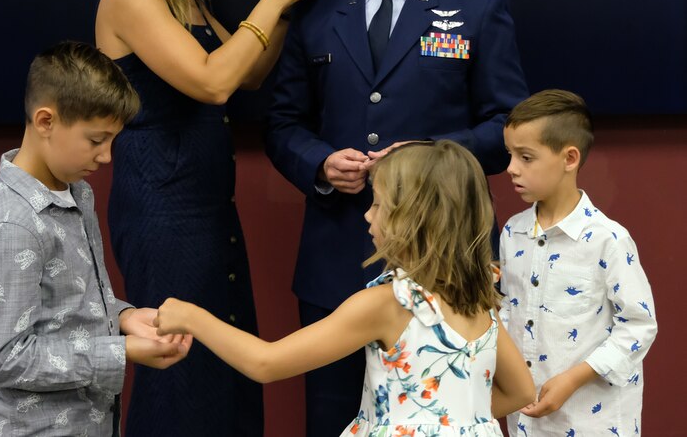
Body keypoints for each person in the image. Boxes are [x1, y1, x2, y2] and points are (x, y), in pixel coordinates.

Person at [266, 0, 529, 433]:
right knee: (331, 419)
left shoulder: (478, 4)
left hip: (446, 258)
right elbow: (281, 125)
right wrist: (320, 162)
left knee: (446, 416)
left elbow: (509, 127)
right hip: (338, 253)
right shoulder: (315, 11)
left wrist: (426, 160)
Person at [93, 0, 328, 436]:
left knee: (226, 362)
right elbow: (213, 82)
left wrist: (290, 13)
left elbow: (246, 69)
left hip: (206, 210)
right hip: (162, 211)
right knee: (179, 369)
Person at [155, 141, 536, 436]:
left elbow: (265, 363)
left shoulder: (387, 303)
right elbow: (520, 392)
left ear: (414, 220)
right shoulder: (478, 299)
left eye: (379, 205)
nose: (368, 215)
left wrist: (192, 316)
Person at [0, 41, 192, 437]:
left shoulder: (76, 192)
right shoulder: (12, 227)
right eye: (96, 140)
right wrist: (121, 351)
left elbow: (67, 304)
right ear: (46, 121)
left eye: (113, 141)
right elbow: (5, 357)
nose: (106, 156)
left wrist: (124, 317)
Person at [500, 89, 658, 436]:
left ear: (569, 158)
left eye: (526, 157)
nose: (511, 168)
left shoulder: (608, 240)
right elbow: (510, 310)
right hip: (526, 418)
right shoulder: (512, 232)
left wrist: (574, 378)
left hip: (593, 421)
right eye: (509, 155)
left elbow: (639, 325)